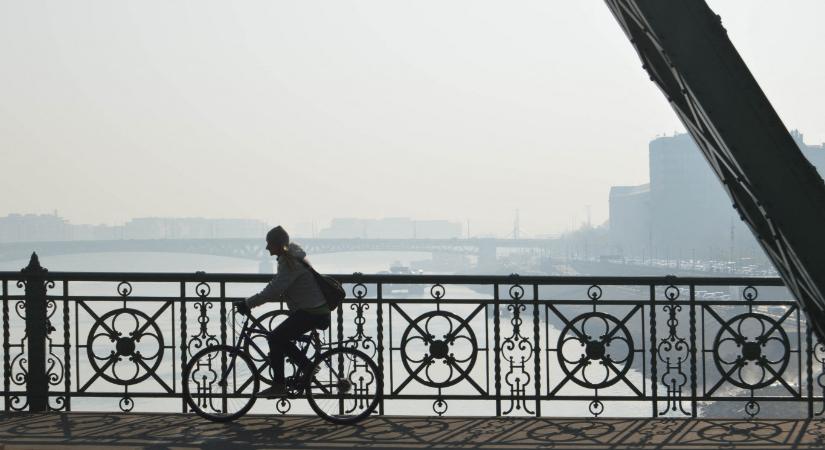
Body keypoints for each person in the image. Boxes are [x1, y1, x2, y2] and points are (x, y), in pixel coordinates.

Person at [234, 225, 330, 398]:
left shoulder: (290, 261)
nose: (266, 247)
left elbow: (274, 290)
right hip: (314, 309)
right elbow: (278, 286)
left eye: (269, 243)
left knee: (275, 338)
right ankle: (308, 367)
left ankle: (280, 385)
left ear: (278, 245)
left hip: (311, 311)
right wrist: (253, 301)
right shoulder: (292, 257)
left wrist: (248, 303)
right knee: (280, 338)